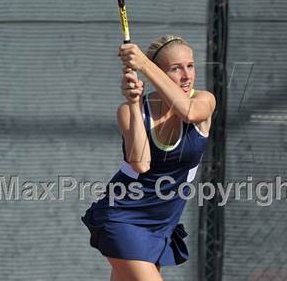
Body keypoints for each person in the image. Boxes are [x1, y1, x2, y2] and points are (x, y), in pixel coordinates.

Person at [81, 34, 216, 280]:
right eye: (176, 68)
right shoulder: (130, 112)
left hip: (162, 223)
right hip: (122, 216)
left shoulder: (203, 101)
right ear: (159, 73)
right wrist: (133, 103)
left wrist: (143, 64)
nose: (186, 76)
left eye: (190, 65)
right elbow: (140, 162)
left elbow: (188, 112)